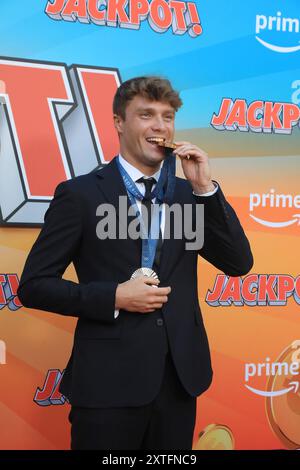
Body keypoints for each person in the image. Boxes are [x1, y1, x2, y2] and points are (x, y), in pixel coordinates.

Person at [17, 76, 253, 450]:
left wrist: (205, 189)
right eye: (146, 115)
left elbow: (239, 263)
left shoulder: (188, 194)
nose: (160, 126)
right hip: (107, 385)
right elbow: (32, 286)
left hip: (178, 381)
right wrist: (113, 296)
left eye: (167, 116)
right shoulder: (79, 195)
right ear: (119, 122)